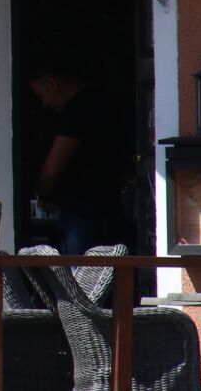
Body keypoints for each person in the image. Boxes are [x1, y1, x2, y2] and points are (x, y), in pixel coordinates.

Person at [29, 58, 128, 255]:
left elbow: (53, 169)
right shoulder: (105, 101)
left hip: (82, 213)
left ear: (51, 84)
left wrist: (42, 191)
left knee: (80, 280)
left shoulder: (77, 110)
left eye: (42, 95)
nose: (44, 103)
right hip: (113, 206)